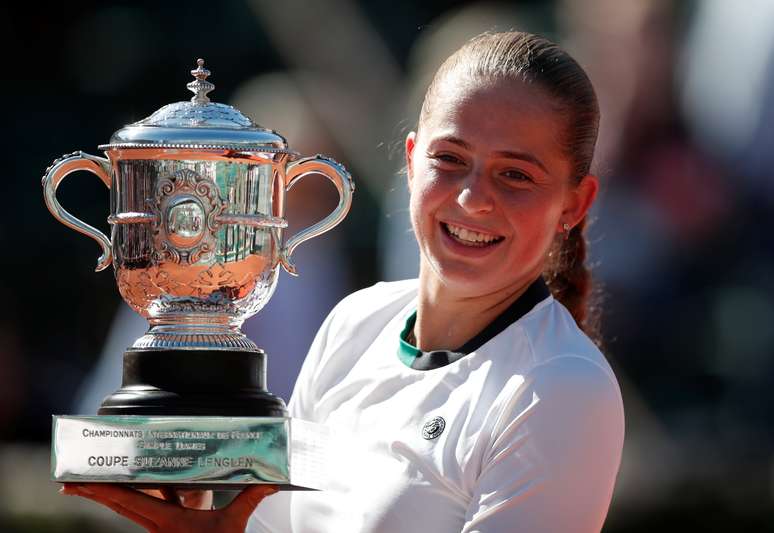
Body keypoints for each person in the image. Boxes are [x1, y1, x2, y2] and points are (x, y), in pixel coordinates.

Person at [63, 31, 625, 533]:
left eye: (516, 174)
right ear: (410, 162)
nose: (472, 197)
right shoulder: (354, 322)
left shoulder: (562, 388)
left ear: (575, 204)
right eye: (450, 159)